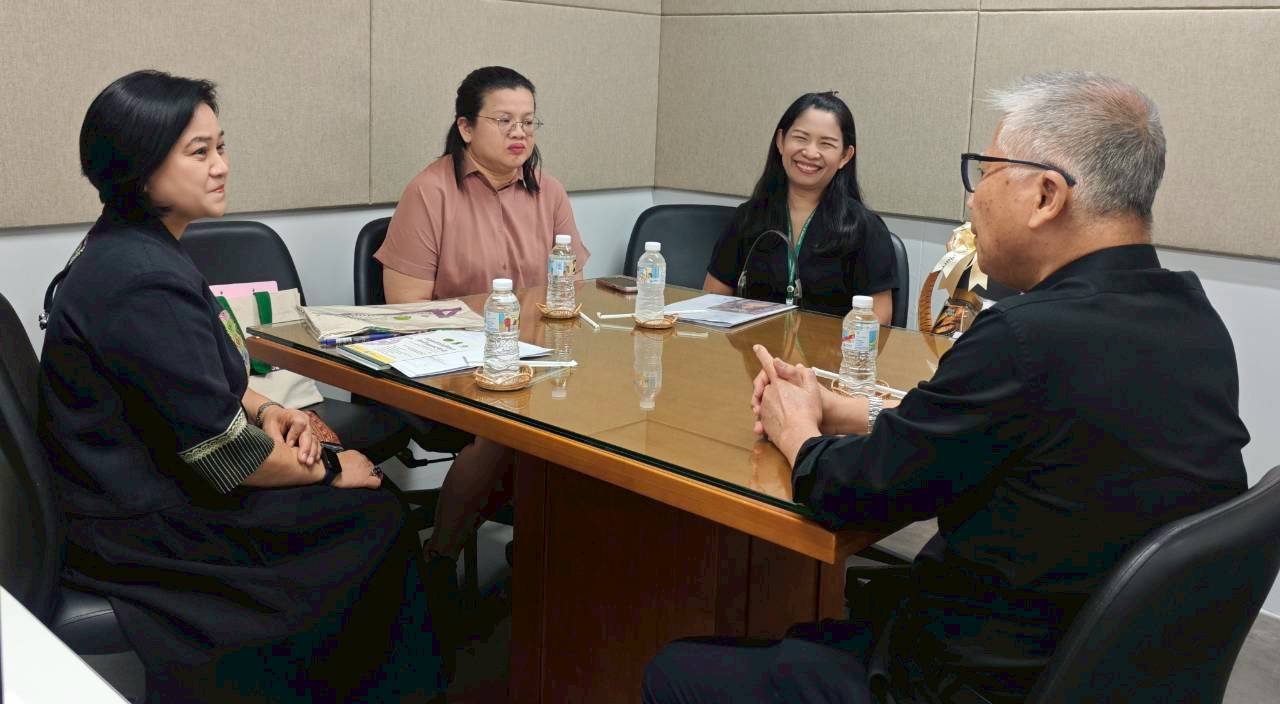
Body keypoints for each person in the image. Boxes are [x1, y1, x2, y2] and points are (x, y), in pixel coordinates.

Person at [644, 72, 1250, 704]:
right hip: (1098, 667)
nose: (972, 198)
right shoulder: (1193, 320)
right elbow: (1007, 433)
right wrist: (847, 410)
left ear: (1046, 195)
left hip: (965, 675)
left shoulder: (1023, 337)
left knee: (676, 671)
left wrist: (796, 429)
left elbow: (851, 493)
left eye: (985, 173)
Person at [39, 71, 446, 704]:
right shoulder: (142, 281)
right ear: (140, 168)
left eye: (221, 146)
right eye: (198, 152)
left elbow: (188, 380)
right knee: (374, 513)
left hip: (138, 487)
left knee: (363, 504)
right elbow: (225, 456)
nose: (221, 166)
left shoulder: (130, 246)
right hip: (140, 525)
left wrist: (266, 407)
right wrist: (332, 465)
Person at [375, 66, 588, 584]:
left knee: (592, 415)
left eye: (529, 122)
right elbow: (406, 309)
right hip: (450, 362)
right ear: (466, 127)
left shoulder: (549, 192)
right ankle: (439, 561)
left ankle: (550, 552)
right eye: (504, 121)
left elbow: (571, 288)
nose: (520, 134)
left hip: (533, 358)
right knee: (506, 426)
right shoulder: (429, 192)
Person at [704, 91, 895, 321]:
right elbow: (712, 300)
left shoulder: (865, 228)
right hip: (753, 343)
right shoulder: (748, 217)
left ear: (845, 156)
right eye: (801, 138)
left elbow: (878, 316)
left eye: (826, 144)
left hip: (828, 346)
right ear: (781, 141)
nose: (810, 153)